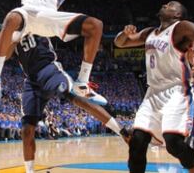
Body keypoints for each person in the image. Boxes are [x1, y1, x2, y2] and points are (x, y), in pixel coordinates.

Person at [114, 1, 194, 173]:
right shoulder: (149, 32)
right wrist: (124, 33)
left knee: (173, 144)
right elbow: (120, 43)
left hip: (176, 90)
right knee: (137, 142)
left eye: (170, 5)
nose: (164, 4)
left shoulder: (182, 27)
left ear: (178, 14)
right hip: (152, 92)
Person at [10, 34, 130, 173]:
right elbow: (5, 55)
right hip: (31, 81)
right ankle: (30, 171)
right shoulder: (12, 32)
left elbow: (61, 30)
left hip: (50, 71)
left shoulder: (38, 17)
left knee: (73, 96)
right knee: (26, 130)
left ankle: (122, 132)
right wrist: (11, 39)